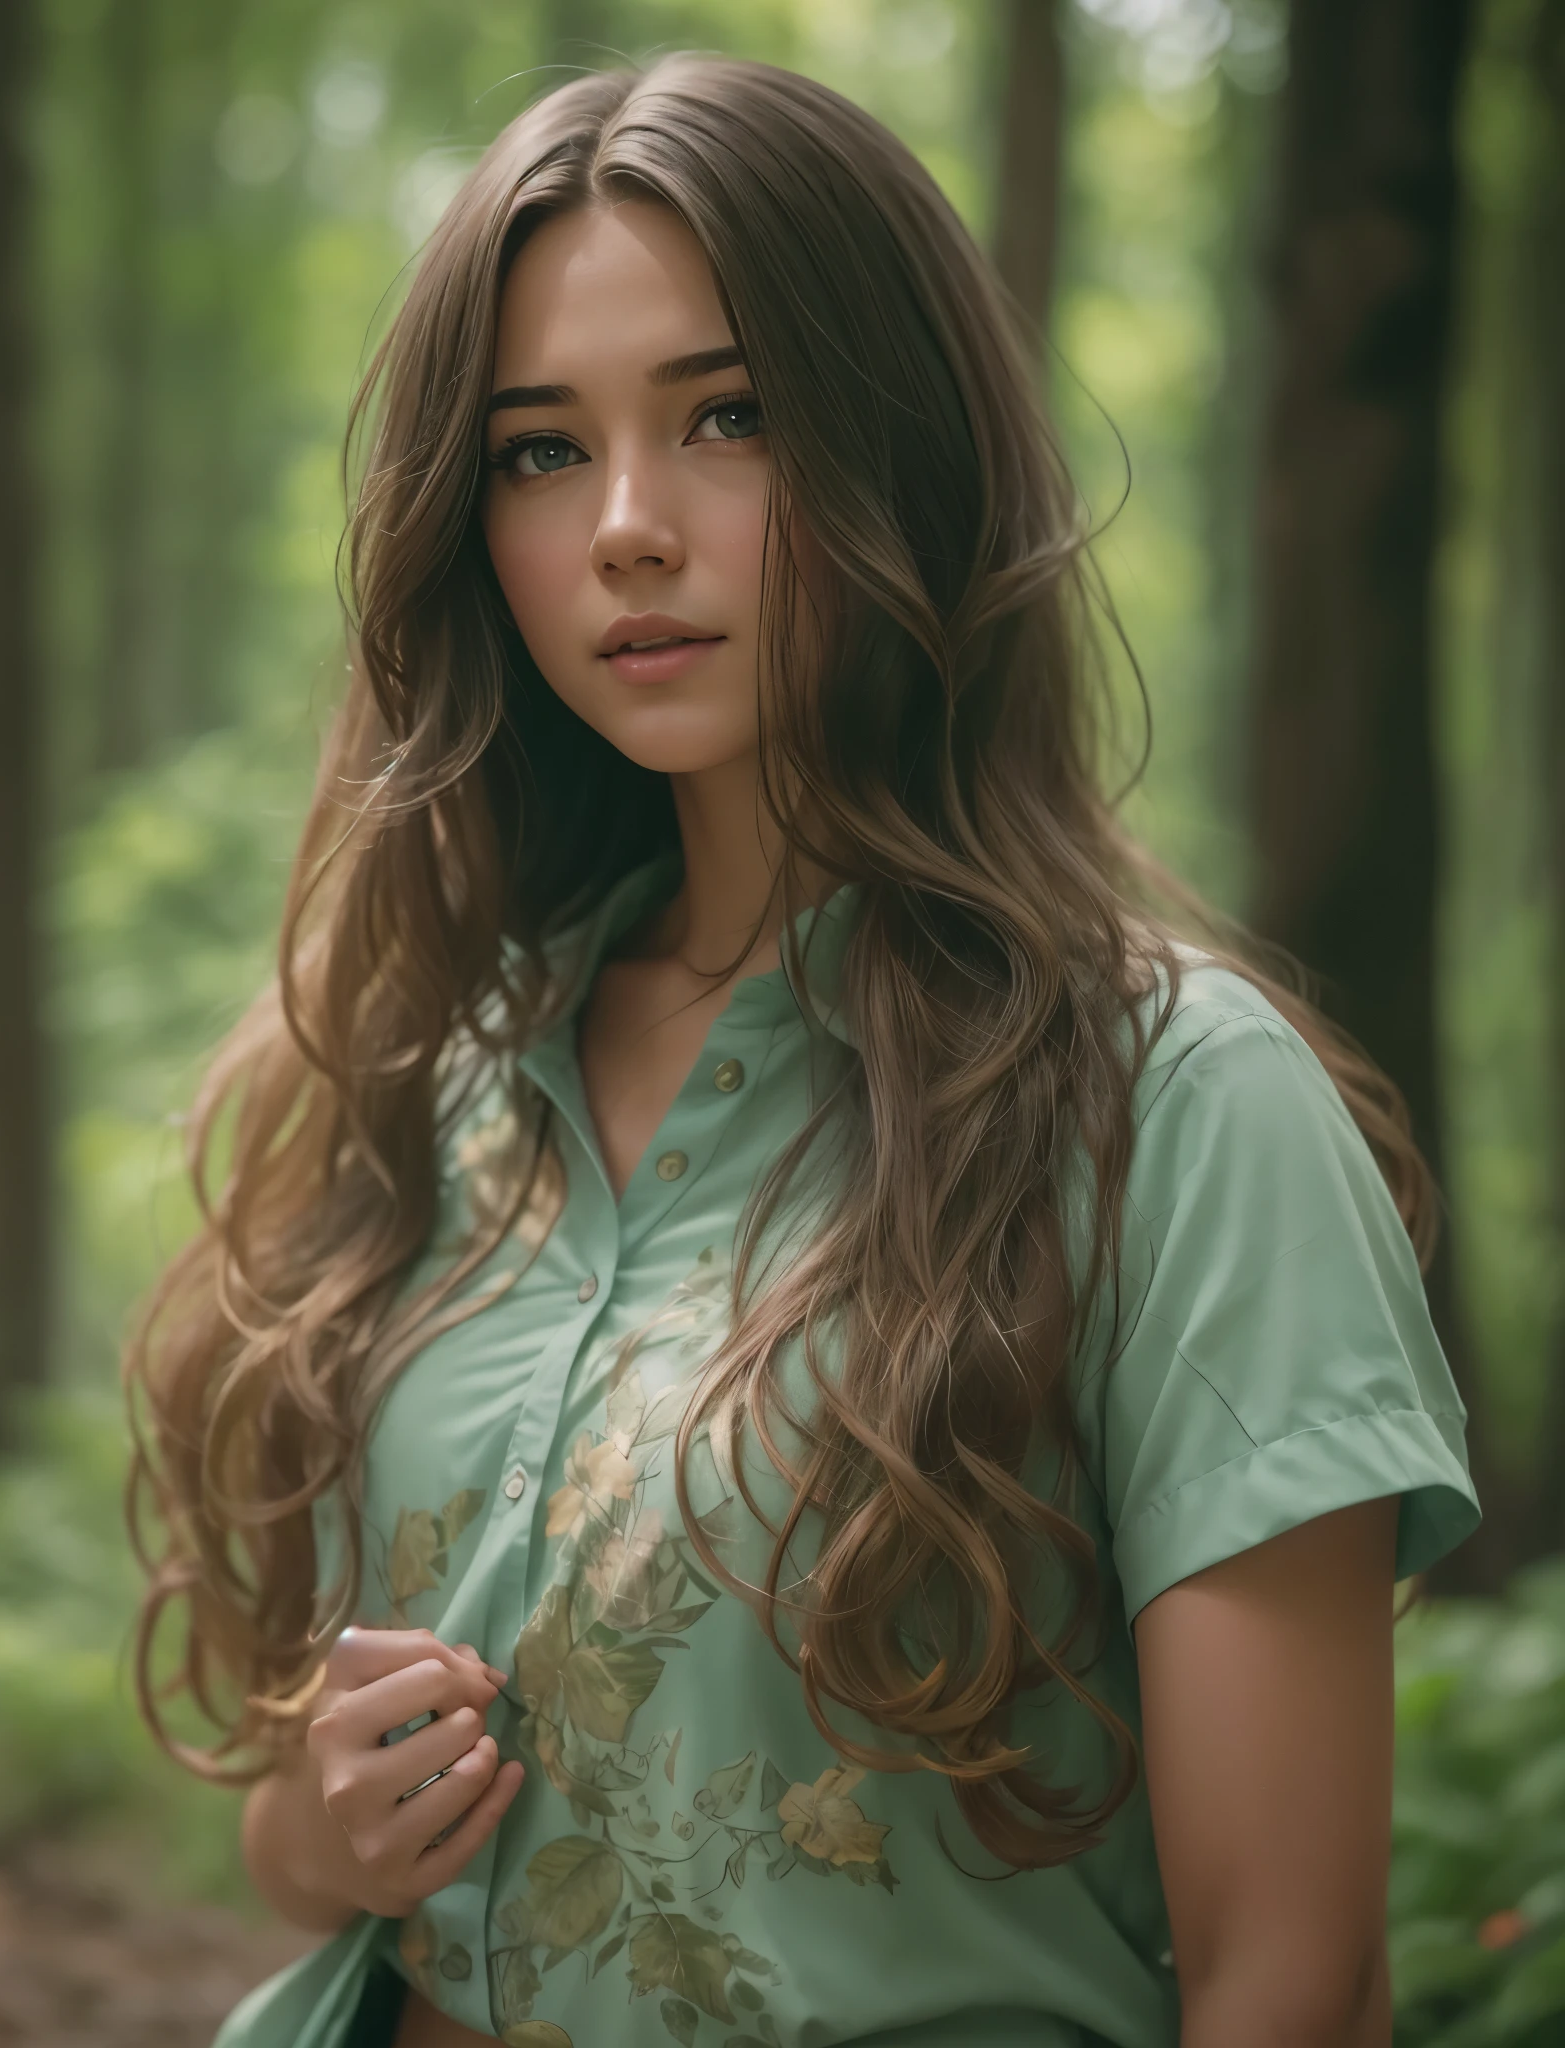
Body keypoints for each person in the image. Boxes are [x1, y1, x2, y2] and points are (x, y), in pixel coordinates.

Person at [126, 54, 1480, 2048]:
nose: (627, 529)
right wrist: (333, 1825)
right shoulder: (433, 1090)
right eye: (535, 450)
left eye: (728, 417)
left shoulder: (1177, 1103)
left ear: (903, 445)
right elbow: (292, 1828)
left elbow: (1298, 1978)